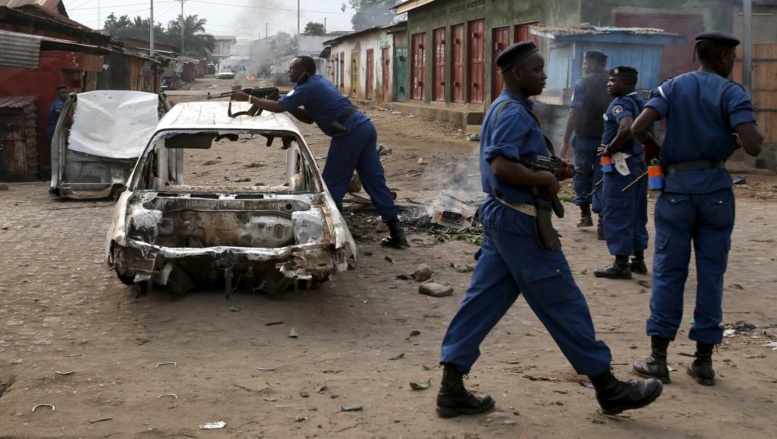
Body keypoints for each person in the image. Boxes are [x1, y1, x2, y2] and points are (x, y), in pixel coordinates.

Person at [435, 41, 663, 419]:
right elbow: (502, 167)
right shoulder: (512, 113)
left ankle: (451, 387)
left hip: (502, 219)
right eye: (538, 70)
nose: (545, 75)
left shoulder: (508, 107)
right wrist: (544, 178)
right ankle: (608, 388)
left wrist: (551, 168)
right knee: (564, 302)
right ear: (515, 74)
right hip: (522, 222)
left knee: (481, 303)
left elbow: (516, 161)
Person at [631, 31, 763, 386]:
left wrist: (652, 146)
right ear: (722, 58)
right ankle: (703, 361)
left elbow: (638, 126)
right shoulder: (732, 92)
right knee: (711, 275)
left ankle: (658, 359)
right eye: (731, 58)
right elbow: (752, 145)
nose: (732, 64)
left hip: (676, 192)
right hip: (716, 192)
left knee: (669, 272)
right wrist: (736, 136)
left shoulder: (672, 87)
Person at [231, 55, 408, 248]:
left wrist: (248, 98)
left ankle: (337, 238)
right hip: (364, 127)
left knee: (332, 185)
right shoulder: (317, 82)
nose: (289, 71)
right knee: (374, 181)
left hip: (349, 132)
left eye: (293, 68)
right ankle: (397, 234)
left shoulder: (307, 87)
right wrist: (286, 103)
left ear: (304, 71)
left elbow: (278, 107)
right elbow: (308, 118)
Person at [593, 67, 649, 280]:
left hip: (620, 167)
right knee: (636, 212)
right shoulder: (639, 101)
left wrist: (610, 148)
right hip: (636, 166)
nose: (608, 83)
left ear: (626, 83)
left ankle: (620, 264)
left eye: (613, 80)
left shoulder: (621, 104)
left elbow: (626, 128)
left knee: (617, 211)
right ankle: (638, 260)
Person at [561, 51, 612, 237]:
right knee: (602, 177)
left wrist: (565, 140)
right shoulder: (613, 81)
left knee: (581, 173)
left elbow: (574, 113)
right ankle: (602, 223)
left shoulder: (582, 82)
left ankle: (585, 214)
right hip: (607, 141)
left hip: (583, 138)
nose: (583, 66)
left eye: (586, 63)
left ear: (594, 64)